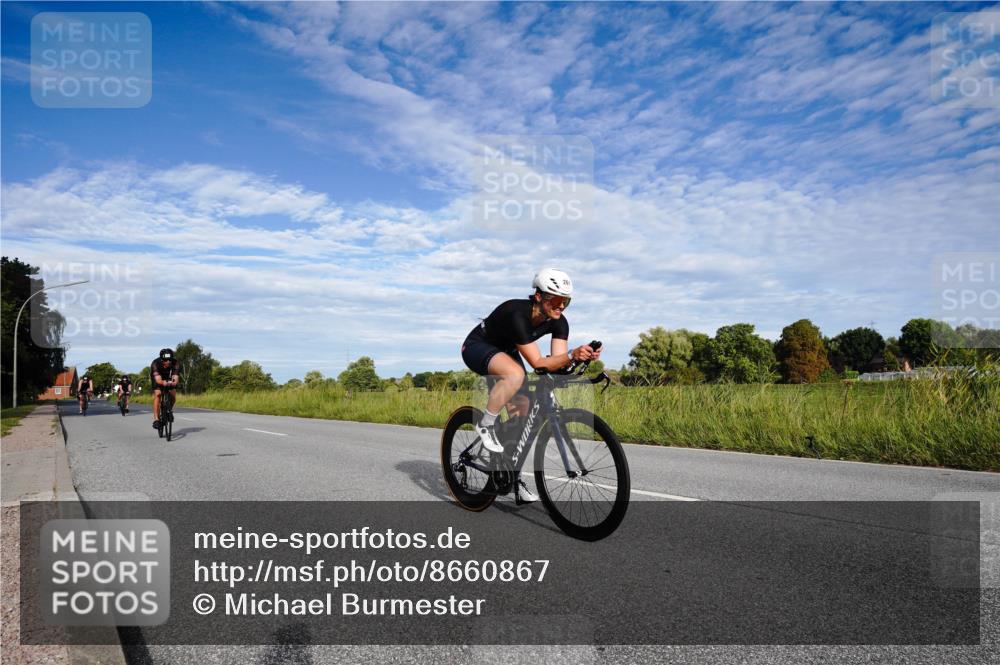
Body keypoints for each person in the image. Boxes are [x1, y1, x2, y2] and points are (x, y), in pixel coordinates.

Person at [461, 268, 601, 504]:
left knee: (521, 416)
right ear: (538, 296)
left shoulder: (559, 322)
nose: (561, 306)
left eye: (566, 301)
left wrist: (580, 358)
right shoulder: (518, 313)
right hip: (477, 346)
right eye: (556, 300)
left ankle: (510, 476)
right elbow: (537, 363)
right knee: (515, 374)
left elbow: (555, 363)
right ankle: (486, 424)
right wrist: (571, 354)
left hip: (507, 351)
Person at [150, 348, 179, 430]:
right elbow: (158, 380)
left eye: (170, 360)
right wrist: (163, 383)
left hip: (169, 378)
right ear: (162, 360)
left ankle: (169, 410)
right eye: (166, 360)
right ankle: (156, 419)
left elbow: (175, 378)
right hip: (158, 378)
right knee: (158, 394)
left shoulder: (176, 363)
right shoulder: (155, 363)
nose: (168, 362)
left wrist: (173, 383)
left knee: (173, 394)